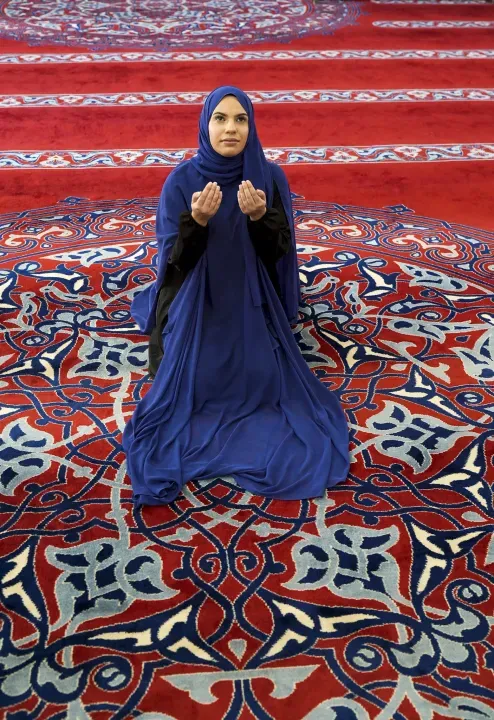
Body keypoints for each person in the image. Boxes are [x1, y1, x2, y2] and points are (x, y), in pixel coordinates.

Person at [124, 86, 349, 505]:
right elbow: (173, 263)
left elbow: (280, 255)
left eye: (240, 119)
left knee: (262, 380)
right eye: (221, 119)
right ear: (205, 125)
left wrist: (261, 217)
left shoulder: (268, 176)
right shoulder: (181, 181)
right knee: (198, 384)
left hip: (252, 297)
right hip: (196, 298)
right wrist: (197, 222)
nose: (231, 129)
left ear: (252, 125)